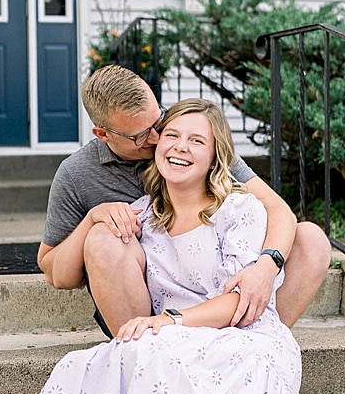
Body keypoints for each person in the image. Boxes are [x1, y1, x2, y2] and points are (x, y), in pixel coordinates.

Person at [19, 98, 321, 394]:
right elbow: (55, 269)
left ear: (216, 154)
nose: (176, 146)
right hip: (177, 334)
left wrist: (172, 322)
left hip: (243, 335)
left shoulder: (237, 210)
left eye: (195, 140)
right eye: (171, 136)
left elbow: (240, 303)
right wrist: (95, 217)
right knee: (99, 360)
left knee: (187, 357)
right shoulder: (142, 214)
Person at [38, 64, 330, 338]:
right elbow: (56, 273)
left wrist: (267, 267)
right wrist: (93, 218)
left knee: (310, 241)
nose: (157, 138)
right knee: (104, 238)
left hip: (217, 287)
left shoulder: (187, 135)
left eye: (159, 121)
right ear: (103, 134)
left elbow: (277, 209)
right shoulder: (77, 174)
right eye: (141, 135)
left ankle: (257, 344)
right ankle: (143, 356)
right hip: (144, 304)